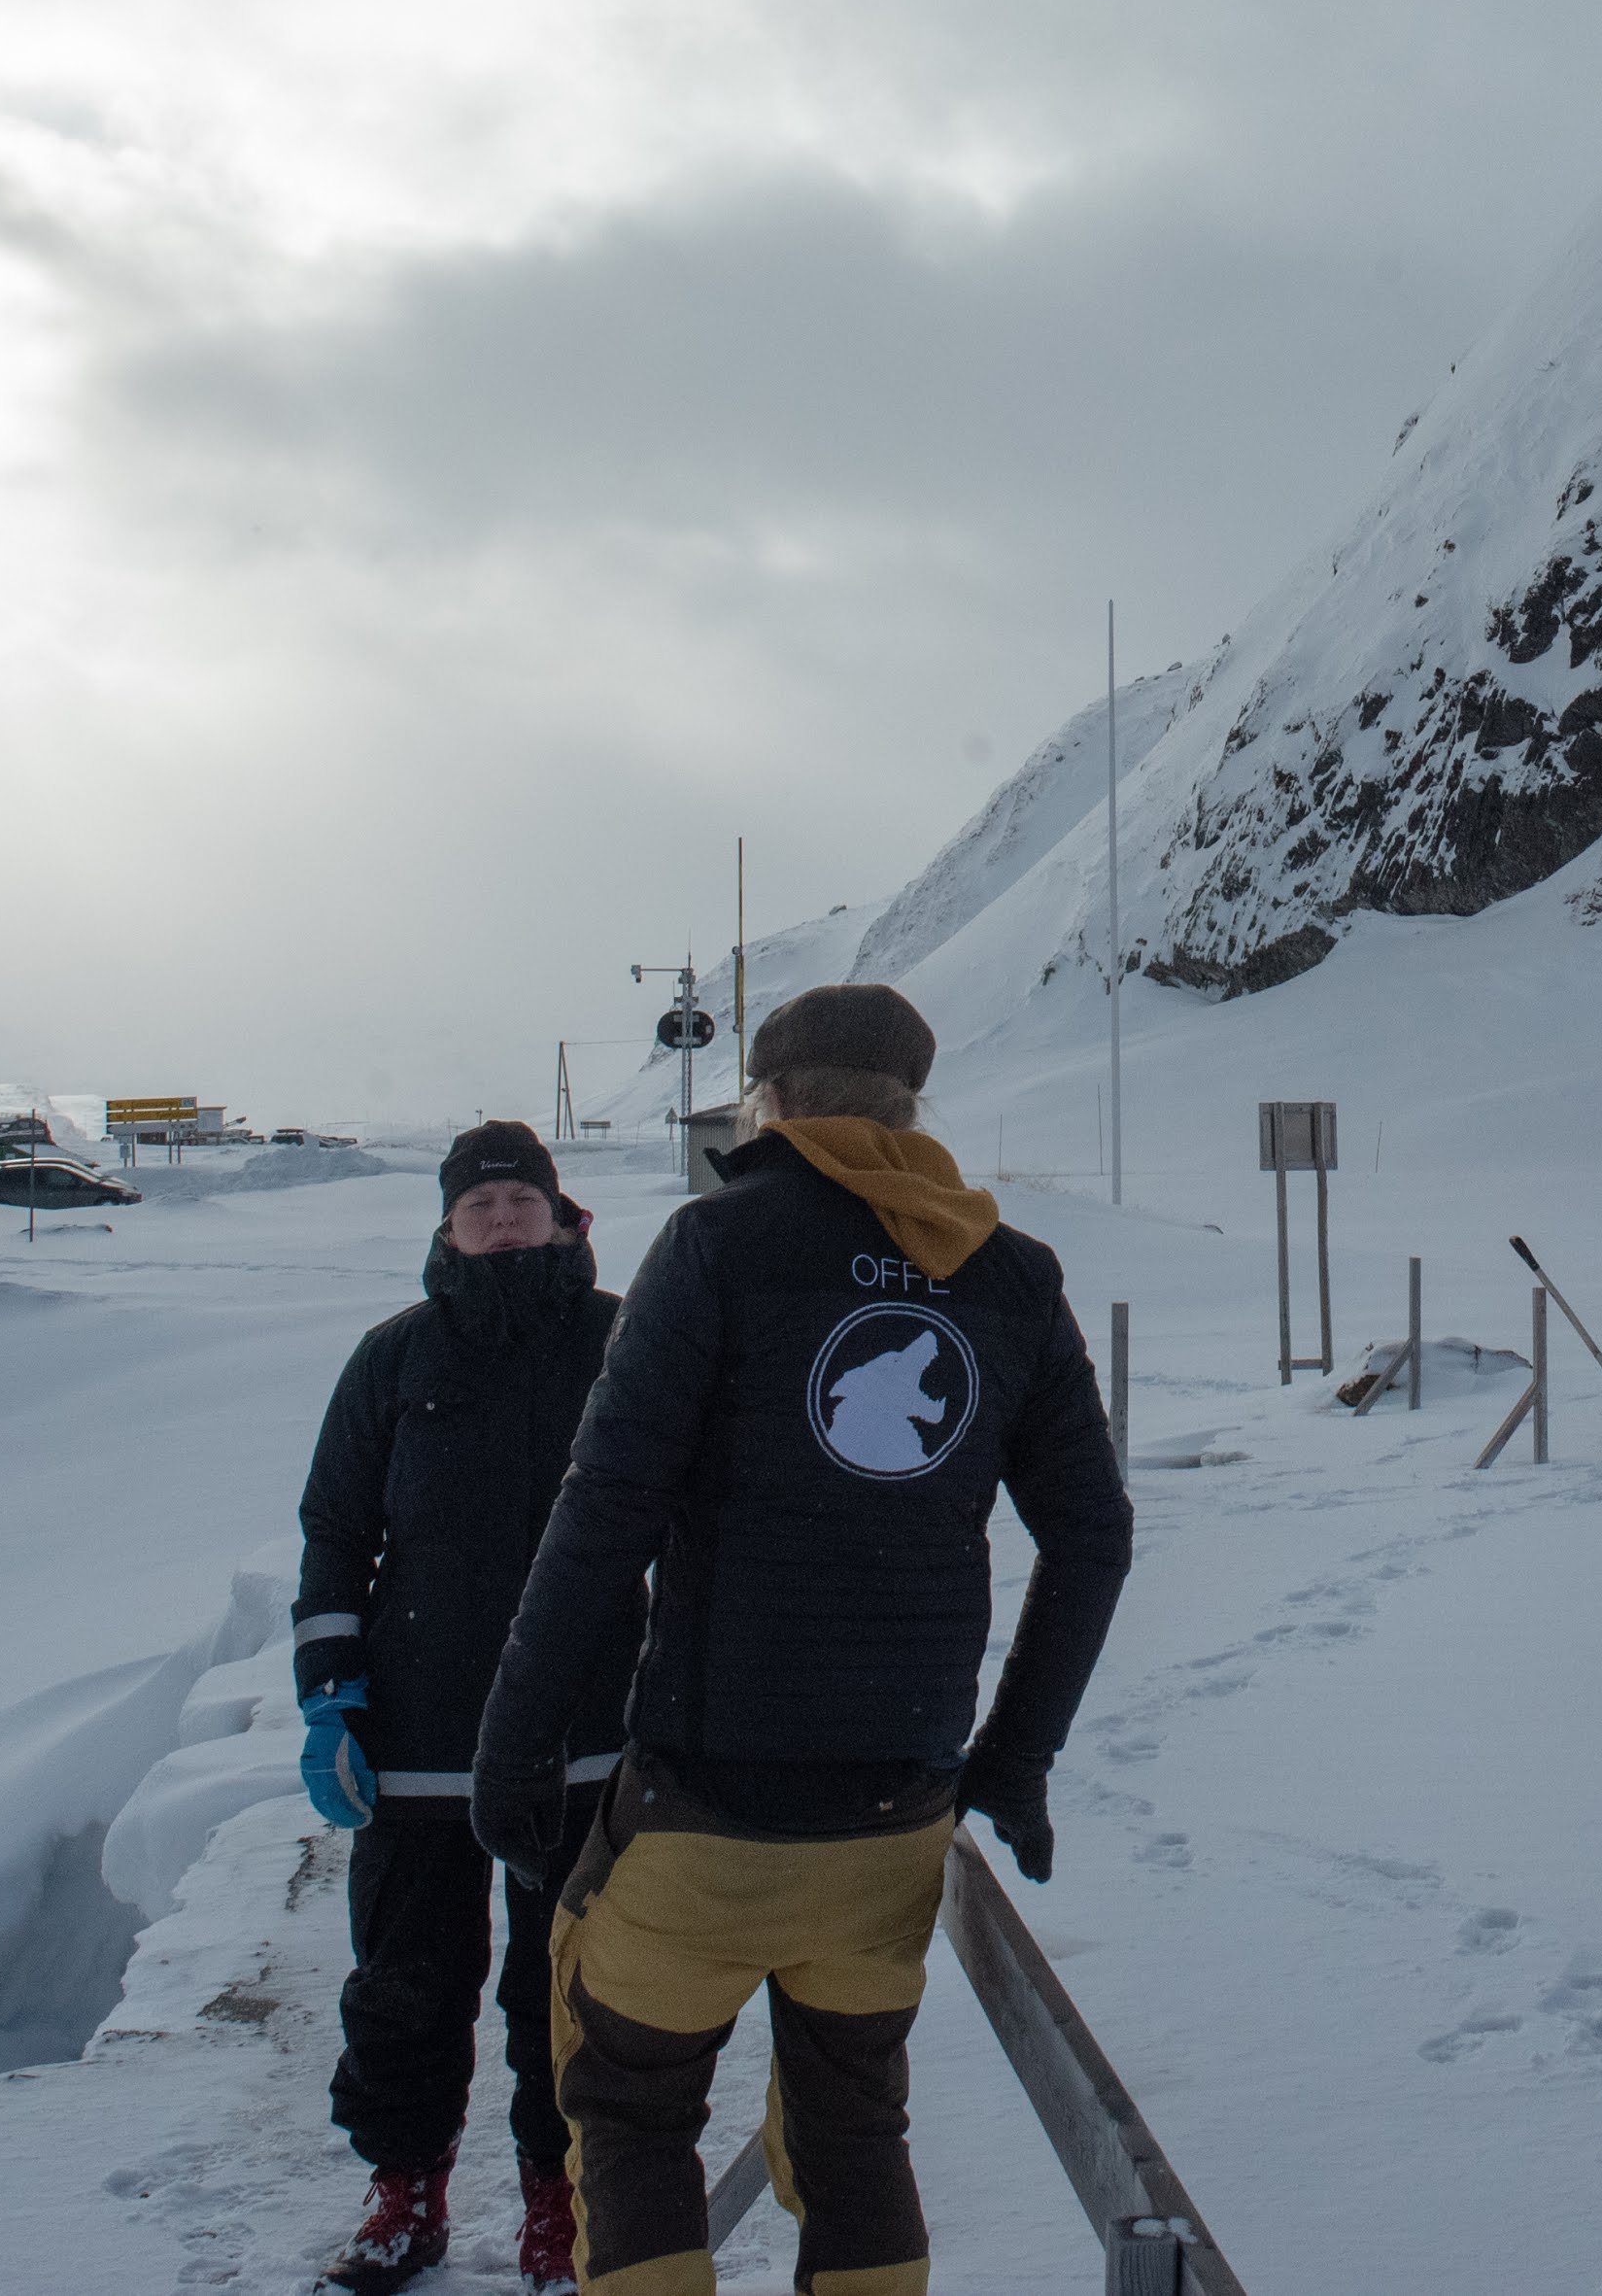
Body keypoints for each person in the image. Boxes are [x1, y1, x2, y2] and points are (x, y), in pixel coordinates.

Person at [471, 980, 1131, 2296]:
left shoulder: (718, 1245)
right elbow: (1092, 1535)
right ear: (910, 1102)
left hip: (700, 1811)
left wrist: (515, 1737)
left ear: (767, 1102)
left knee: (635, 2115)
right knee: (853, 2134)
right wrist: (1013, 1758)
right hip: (891, 1825)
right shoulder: (1006, 1272)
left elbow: (608, 1509)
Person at [292, 1120, 622, 2296]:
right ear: (445, 1228)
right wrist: (330, 1695)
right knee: (402, 1985)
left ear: (557, 1211)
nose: (497, 1220)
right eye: (475, 1206)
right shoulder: (394, 1357)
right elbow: (335, 1532)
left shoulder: (622, 1337)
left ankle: (555, 2201)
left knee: (566, 1991)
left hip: (583, 1744)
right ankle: (405, 2195)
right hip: (419, 1748)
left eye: (517, 1201)